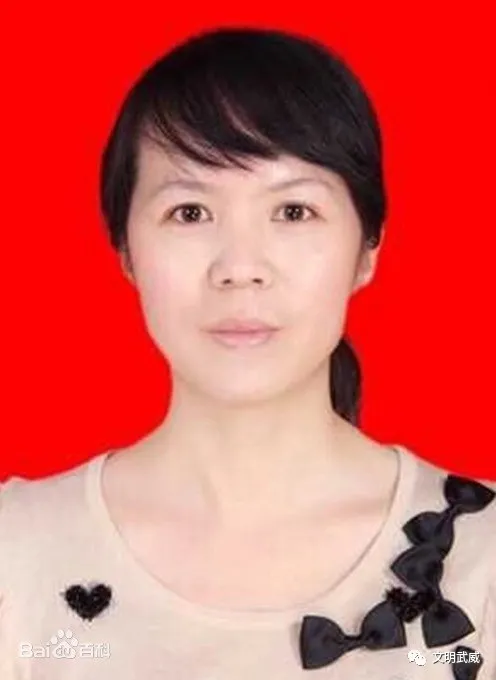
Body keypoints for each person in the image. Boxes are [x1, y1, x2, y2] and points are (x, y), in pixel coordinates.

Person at [0, 26, 494, 680]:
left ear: (367, 249)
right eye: (190, 212)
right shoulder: (17, 552)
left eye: (293, 211)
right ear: (126, 250)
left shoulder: (484, 555)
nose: (239, 267)